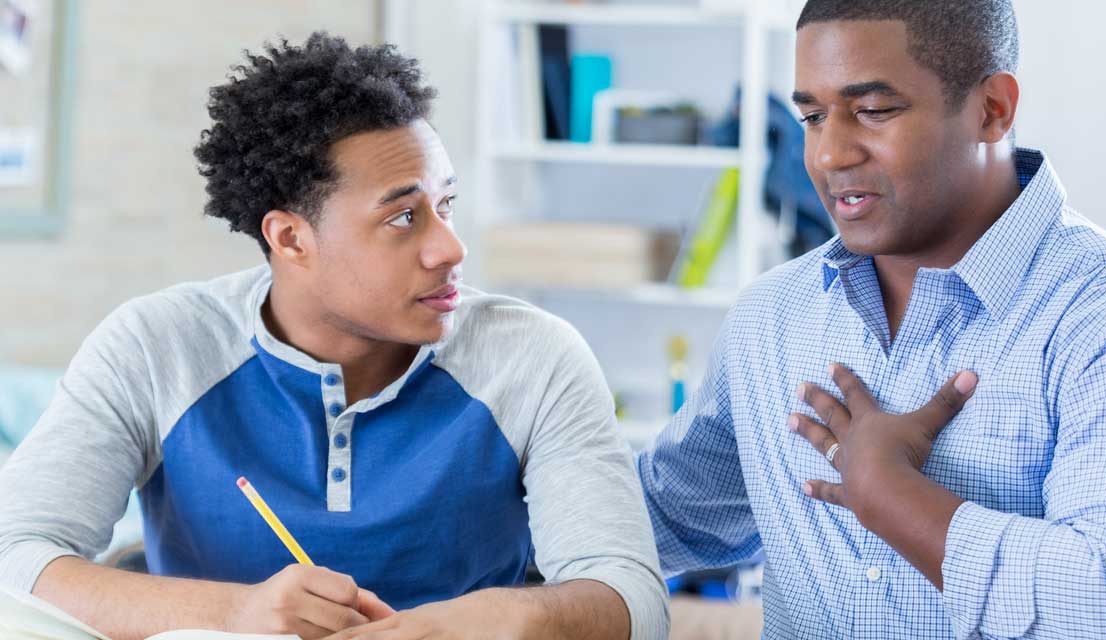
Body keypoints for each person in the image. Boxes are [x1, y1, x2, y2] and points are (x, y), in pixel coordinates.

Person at [0, 33, 669, 640]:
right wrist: (233, 614)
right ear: (290, 238)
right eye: (404, 217)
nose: (450, 247)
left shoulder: (534, 358)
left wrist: (512, 616)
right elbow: (12, 555)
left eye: (446, 205)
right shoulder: (155, 346)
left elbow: (635, 597)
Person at [637, 0, 1106, 638]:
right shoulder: (771, 317)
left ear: (993, 109)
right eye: (813, 116)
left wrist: (900, 502)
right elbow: (667, 515)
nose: (829, 154)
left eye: (872, 110)